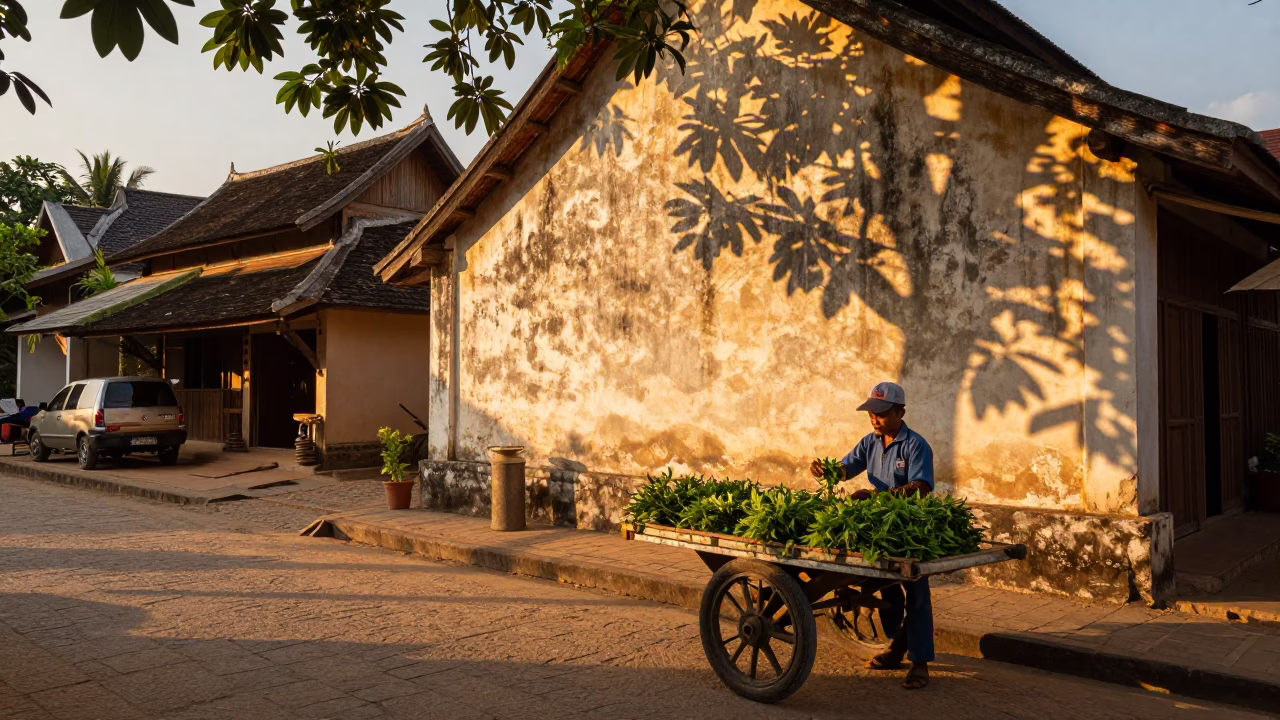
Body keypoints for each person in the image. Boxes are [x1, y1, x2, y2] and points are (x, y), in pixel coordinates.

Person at [809, 381, 936, 690]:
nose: (874, 419)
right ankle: (895, 648)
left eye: (881, 414)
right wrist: (824, 470)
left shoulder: (915, 445)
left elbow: (920, 488)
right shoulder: (870, 442)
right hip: (877, 527)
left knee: (916, 593)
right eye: (871, 414)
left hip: (909, 529)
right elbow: (845, 468)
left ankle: (920, 663)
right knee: (882, 587)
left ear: (900, 412)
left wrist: (876, 498)